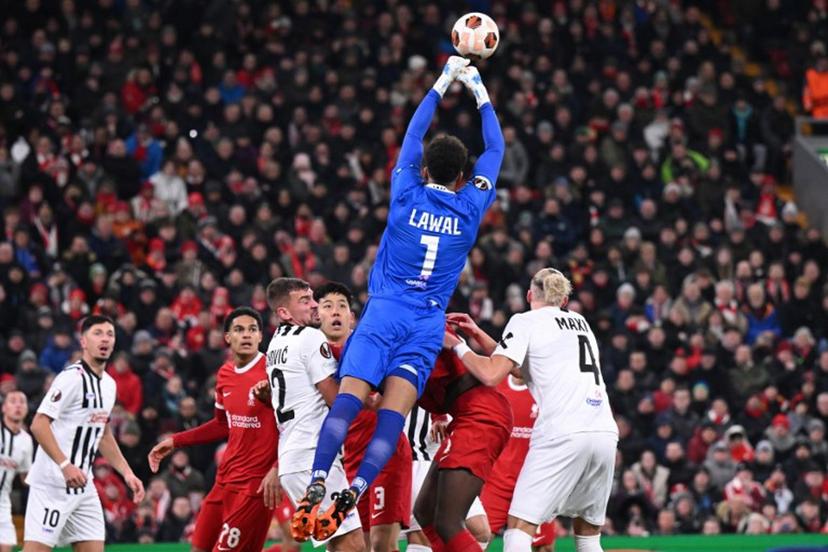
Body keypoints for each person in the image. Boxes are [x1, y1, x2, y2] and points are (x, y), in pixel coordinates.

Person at [297, 55, 505, 543]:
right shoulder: (471, 207)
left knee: (348, 405)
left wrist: (442, 81)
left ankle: (318, 484)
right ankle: (362, 485)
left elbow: (412, 135)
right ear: (462, 179)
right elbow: (495, 148)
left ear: (425, 167)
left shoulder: (406, 191)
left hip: (384, 312)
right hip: (426, 325)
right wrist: (479, 88)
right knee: (392, 416)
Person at [446, 269, 618, 552]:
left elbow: (492, 375)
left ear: (529, 295)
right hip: (604, 434)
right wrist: (478, 334)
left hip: (562, 433)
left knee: (518, 528)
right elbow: (521, 367)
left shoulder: (525, 321)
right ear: (563, 299)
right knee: (588, 532)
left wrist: (458, 345)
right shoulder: (580, 322)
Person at [147, 307, 283, 552]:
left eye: (252, 330)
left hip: (255, 486)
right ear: (228, 337)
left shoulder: (274, 373)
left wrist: (277, 468)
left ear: (261, 336)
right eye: (239, 330)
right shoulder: (225, 373)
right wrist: (176, 441)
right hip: (224, 481)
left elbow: (296, 426)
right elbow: (222, 424)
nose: (246, 335)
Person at [24, 315, 145, 552]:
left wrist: (127, 473)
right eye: (97, 333)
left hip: (84, 484)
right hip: (53, 483)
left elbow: (103, 433)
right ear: (83, 342)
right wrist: (65, 465)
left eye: (110, 334)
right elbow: (38, 424)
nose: (105, 339)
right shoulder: (71, 378)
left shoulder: (109, 385)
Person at [258, 278, 363, 551]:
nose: (314, 305)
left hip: (292, 457)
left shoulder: (273, 346)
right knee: (354, 545)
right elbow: (336, 399)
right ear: (284, 313)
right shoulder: (310, 337)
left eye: (312, 298)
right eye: (305, 301)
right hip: (313, 455)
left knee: (336, 545)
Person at [315, 282, 413, 552]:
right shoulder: (311, 356)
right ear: (317, 316)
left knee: (383, 546)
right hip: (347, 465)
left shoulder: (371, 348)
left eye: (342, 307)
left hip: (385, 457)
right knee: (353, 545)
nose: (336, 312)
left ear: (351, 318)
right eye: (328, 306)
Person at [411, 326, 512, 552]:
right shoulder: (400, 335)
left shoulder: (426, 325)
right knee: (424, 512)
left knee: (448, 522)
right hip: (465, 415)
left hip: (480, 414)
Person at [477, 368, 557, 552]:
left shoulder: (545, 389)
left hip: (534, 483)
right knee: (479, 539)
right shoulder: (495, 387)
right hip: (498, 481)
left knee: (544, 547)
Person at [0, 391, 33, 552]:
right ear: (4, 408)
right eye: (13, 401)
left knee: (6, 547)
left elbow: (25, 477)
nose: (18, 405)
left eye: (22, 402)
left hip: (3, 502)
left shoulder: (26, 440)